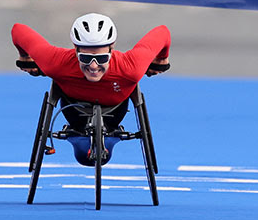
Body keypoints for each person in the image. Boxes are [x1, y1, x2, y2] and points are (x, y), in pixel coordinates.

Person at [11, 13, 170, 165]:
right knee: (83, 157)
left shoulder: (131, 67)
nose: (93, 66)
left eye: (101, 59)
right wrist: (161, 60)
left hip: (114, 112)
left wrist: (25, 57)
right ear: (75, 48)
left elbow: (163, 31)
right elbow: (17, 29)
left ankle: (105, 138)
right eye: (85, 58)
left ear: (111, 48)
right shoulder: (57, 63)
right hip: (75, 112)